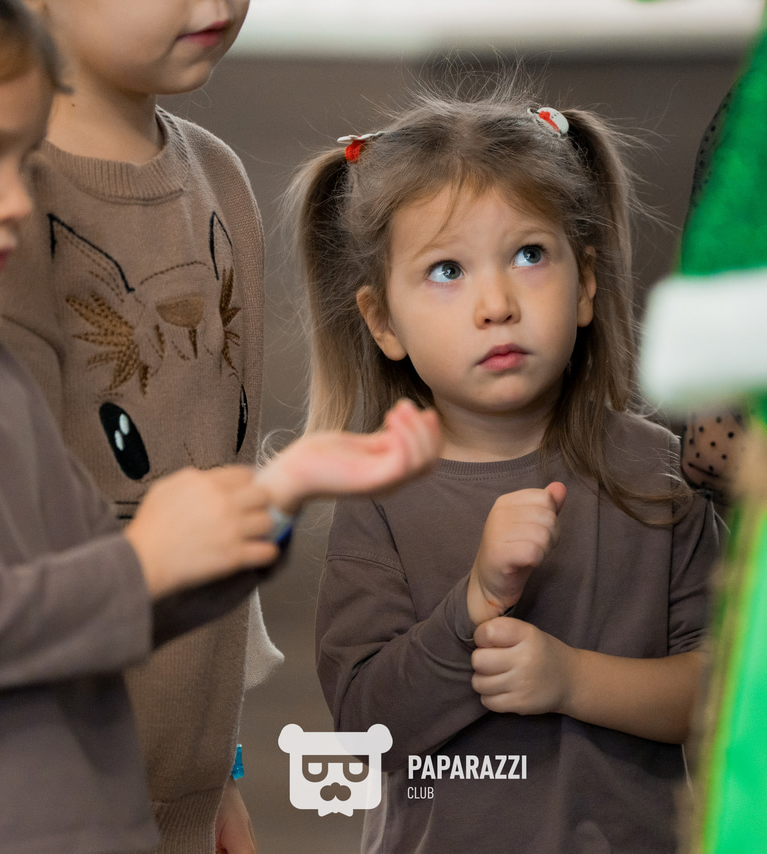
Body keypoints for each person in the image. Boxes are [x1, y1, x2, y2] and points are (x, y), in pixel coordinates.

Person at [0, 2, 440, 853]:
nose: (18, 200)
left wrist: (277, 496)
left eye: (21, 159)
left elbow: (99, 601)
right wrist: (142, 562)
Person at [291, 86, 723, 853]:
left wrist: (571, 680)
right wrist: (474, 605)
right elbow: (363, 729)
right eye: (446, 270)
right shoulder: (379, 495)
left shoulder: (657, 475)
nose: (496, 303)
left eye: (529, 255)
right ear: (383, 321)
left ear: (585, 283)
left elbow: (718, 696)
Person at [0, 1, 277, 850]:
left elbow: (226, 485)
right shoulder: (1, 209)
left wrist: (221, 771)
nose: (216, 6)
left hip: (185, 786)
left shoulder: (220, 177)